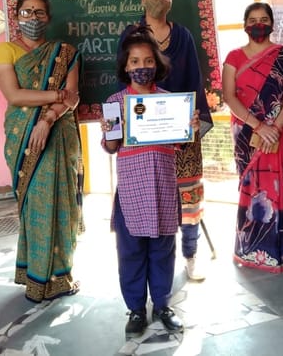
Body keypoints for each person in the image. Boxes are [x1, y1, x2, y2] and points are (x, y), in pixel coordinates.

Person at [101, 25, 200, 339]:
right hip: (131, 192)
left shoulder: (171, 102)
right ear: (125, 66)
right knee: (130, 253)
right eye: (134, 61)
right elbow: (111, 147)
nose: (141, 67)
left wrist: (189, 127)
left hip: (163, 189)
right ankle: (135, 309)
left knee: (162, 251)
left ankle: (161, 305)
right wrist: (110, 129)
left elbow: (181, 142)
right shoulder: (115, 102)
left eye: (147, 61)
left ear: (157, 64)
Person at [118, 0, 212, 281]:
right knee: (151, 197)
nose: (159, 0)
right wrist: (124, 123)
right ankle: (152, 266)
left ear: (172, 0)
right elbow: (122, 79)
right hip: (143, 135)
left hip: (181, 130)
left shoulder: (183, 35)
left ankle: (191, 254)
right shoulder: (131, 35)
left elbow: (194, 80)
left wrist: (193, 123)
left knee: (188, 194)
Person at [0, 0, 82, 302]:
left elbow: (74, 97)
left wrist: (47, 120)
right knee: (36, 206)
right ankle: (36, 279)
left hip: (57, 134)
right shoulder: (5, 50)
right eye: (27, 12)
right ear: (17, 16)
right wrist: (56, 96)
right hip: (23, 138)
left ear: (48, 17)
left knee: (63, 204)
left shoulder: (65, 53)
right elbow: (15, 95)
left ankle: (60, 277)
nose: (33, 17)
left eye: (39, 12)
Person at [222, 2, 283, 273]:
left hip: (278, 132)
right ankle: (248, 249)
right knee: (250, 187)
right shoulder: (234, 57)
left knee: (278, 189)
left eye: (264, 19)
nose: (259, 24)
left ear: (272, 24)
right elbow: (229, 97)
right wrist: (258, 126)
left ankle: (279, 252)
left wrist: (274, 128)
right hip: (247, 133)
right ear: (245, 25)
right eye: (253, 20)